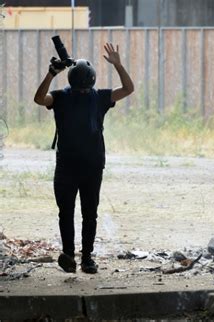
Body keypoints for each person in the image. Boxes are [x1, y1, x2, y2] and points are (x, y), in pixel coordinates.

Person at [33, 43, 134, 274]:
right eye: (80, 90)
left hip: (88, 166)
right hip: (70, 167)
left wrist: (118, 65)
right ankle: (71, 256)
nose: (82, 93)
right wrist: (50, 73)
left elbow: (128, 88)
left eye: (83, 90)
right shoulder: (66, 97)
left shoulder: (97, 97)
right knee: (68, 212)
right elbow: (39, 99)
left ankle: (85, 257)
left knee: (87, 213)